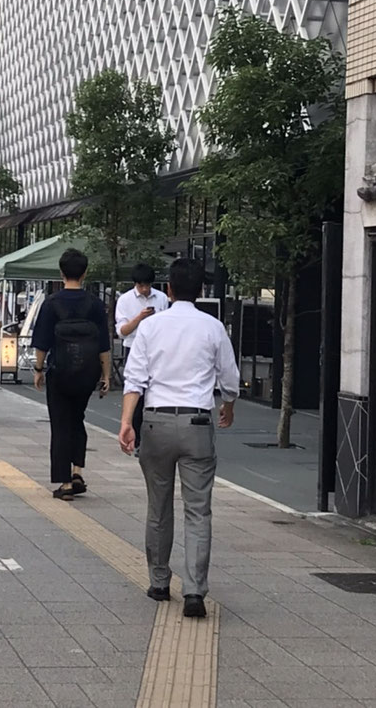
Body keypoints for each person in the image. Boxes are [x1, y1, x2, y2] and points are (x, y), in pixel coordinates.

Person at [119, 258, 239, 620]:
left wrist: (126, 422)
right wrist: (228, 405)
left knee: (158, 506)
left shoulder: (151, 327)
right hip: (197, 423)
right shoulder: (213, 327)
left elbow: (135, 379)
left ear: (168, 289)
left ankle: (159, 582)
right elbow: (229, 378)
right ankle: (194, 591)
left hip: (156, 421)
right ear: (201, 290)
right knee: (198, 510)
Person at [31, 248, 111, 500]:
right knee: (77, 418)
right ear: (85, 273)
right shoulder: (95, 304)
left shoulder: (52, 303)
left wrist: (38, 369)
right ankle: (77, 471)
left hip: (60, 372)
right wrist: (106, 375)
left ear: (61, 273)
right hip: (87, 373)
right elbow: (104, 344)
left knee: (60, 424)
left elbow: (42, 342)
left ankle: (65, 483)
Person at [115, 263, 169, 453]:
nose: (145, 289)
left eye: (147, 285)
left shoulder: (161, 298)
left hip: (156, 349)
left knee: (154, 394)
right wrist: (139, 318)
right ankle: (137, 440)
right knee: (135, 395)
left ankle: (153, 440)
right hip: (134, 347)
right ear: (135, 284)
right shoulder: (125, 300)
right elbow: (122, 331)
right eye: (141, 286)